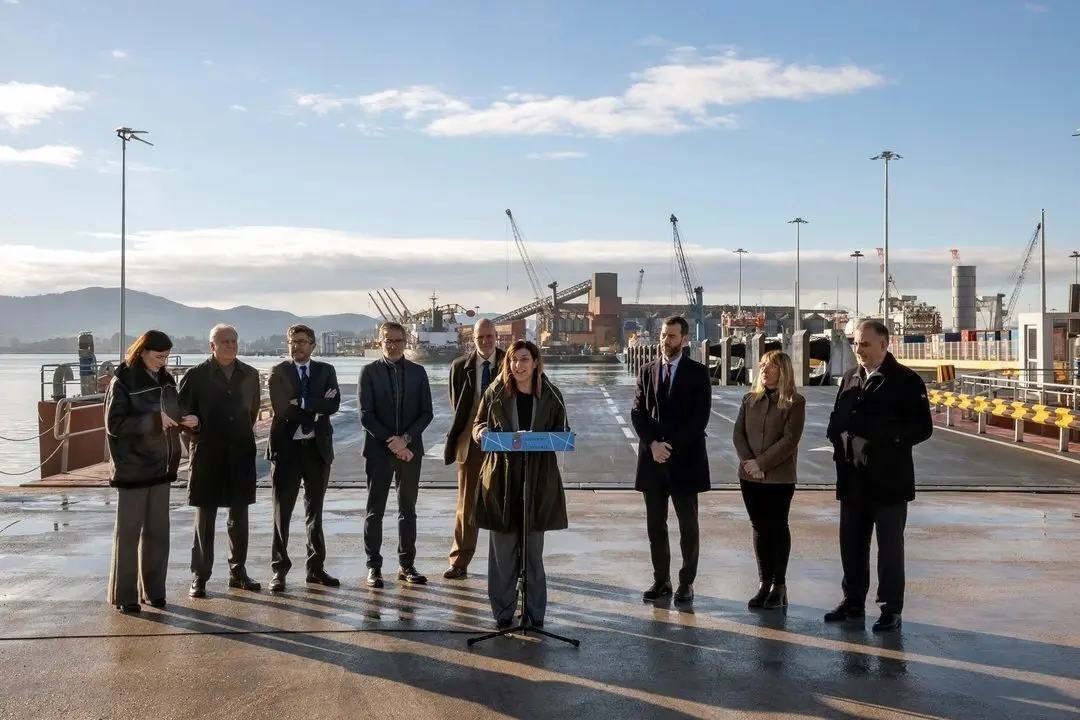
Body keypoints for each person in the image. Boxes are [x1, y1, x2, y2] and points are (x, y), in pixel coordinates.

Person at [825, 318, 933, 632]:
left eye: (865, 344)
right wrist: (837, 438)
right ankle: (853, 602)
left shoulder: (906, 380)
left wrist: (884, 442)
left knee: (889, 551)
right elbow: (837, 418)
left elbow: (922, 428)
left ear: (884, 345)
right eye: (855, 343)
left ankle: (890, 608)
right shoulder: (850, 377)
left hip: (889, 481)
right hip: (852, 478)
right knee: (852, 545)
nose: (858, 350)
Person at [472, 340, 569, 628]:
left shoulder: (551, 394)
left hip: (537, 479)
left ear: (536, 362)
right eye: (514, 360)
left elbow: (563, 433)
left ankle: (534, 612)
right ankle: (503, 613)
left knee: (532, 552)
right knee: (502, 552)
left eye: (525, 359)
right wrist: (482, 433)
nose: (519, 365)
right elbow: (478, 425)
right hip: (501, 478)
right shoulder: (496, 391)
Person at [104, 330, 196, 612]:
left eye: (166, 357)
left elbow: (171, 414)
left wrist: (186, 420)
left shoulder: (167, 380)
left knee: (158, 532)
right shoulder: (122, 381)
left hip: (162, 465)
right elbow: (114, 425)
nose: (163, 361)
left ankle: (155, 591)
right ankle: (126, 597)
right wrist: (156, 420)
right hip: (133, 468)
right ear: (142, 351)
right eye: (159, 356)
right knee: (128, 534)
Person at [630, 315, 712, 604]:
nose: (666, 341)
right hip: (653, 460)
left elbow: (698, 420)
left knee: (688, 527)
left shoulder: (698, 373)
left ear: (685, 339)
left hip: (684, 460)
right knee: (656, 526)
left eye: (672, 336)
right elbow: (637, 413)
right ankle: (661, 580)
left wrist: (668, 446)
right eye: (664, 335)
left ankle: (686, 583)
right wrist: (653, 444)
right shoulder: (646, 371)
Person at [178, 324, 263, 598]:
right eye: (225, 341)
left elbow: (252, 413)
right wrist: (198, 429)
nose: (231, 345)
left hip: (239, 453)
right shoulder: (196, 376)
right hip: (207, 454)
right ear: (211, 346)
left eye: (234, 341)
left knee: (239, 517)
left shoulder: (250, 374)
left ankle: (238, 572)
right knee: (205, 517)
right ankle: (199, 576)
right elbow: (183, 415)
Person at [358, 321, 434, 588]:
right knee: (374, 511)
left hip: (411, 451)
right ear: (380, 342)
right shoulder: (368, 372)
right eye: (387, 340)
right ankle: (374, 567)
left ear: (406, 342)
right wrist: (392, 443)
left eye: (398, 341)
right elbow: (366, 415)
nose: (392, 345)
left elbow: (427, 412)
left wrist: (406, 441)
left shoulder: (418, 372)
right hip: (379, 451)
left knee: (408, 510)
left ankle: (407, 565)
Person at [266, 324, 341, 592]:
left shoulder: (326, 370)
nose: (296, 346)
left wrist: (305, 403)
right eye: (292, 342)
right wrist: (317, 407)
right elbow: (281, 408)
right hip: (287, 451)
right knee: (281, 513)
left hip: (317, 450)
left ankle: (316, 568)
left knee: (315, 513)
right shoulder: (279, 372)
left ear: (312, 345)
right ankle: (279, 570)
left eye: (301, 341)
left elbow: (334, 404)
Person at [732, 350, 806, 610]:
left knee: (777, 526)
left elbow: (790, 440)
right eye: (762, 365)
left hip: (779, 477)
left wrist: (761, 464)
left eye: (771, 366)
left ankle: (779, 585)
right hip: (749, 476)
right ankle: (764, 582)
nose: (764, 370)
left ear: (783, 371)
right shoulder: (748, 399)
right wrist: (750, 464)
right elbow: (738, 434)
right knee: (759, 528)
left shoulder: (795, 402)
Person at [442, 318, 504, 579]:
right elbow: (457, 404)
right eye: (480, 337)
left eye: (489, 336)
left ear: (496, 336)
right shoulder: (460, 366)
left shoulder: (509, 362)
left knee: (506, 502)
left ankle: (507, 563)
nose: (485, 341)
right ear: (473, 338)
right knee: (466, 505)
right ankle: (459, 562)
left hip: (504, 442)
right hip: (471, 443)